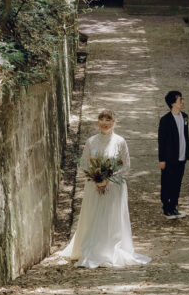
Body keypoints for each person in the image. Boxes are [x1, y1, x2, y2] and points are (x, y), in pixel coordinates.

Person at [60, 109, 150, 268]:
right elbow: (84, 163)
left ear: (114, 123)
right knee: (94, 215)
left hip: (114, 186)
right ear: (98, 123)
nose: (104, 122)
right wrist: (95, 178)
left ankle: (109, 249)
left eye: (108, 119)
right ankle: (91, 248)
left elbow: (126, 165)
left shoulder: (120, 141)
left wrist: (109, 179)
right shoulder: (91, 141)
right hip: (93, 186)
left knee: (110, 216)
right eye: (101, 119)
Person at [158, 90, 189, 219]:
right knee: (167, 182)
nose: (182, 102)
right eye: (180, 100)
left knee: (177, 182)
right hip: (170, 157)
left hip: (182, 156)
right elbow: (161, 140)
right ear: (173, 103)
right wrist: (162, 159)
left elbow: (184, 136)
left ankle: (174, 206)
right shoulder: (165, 120)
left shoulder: (185, 117)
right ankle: (166, 207)